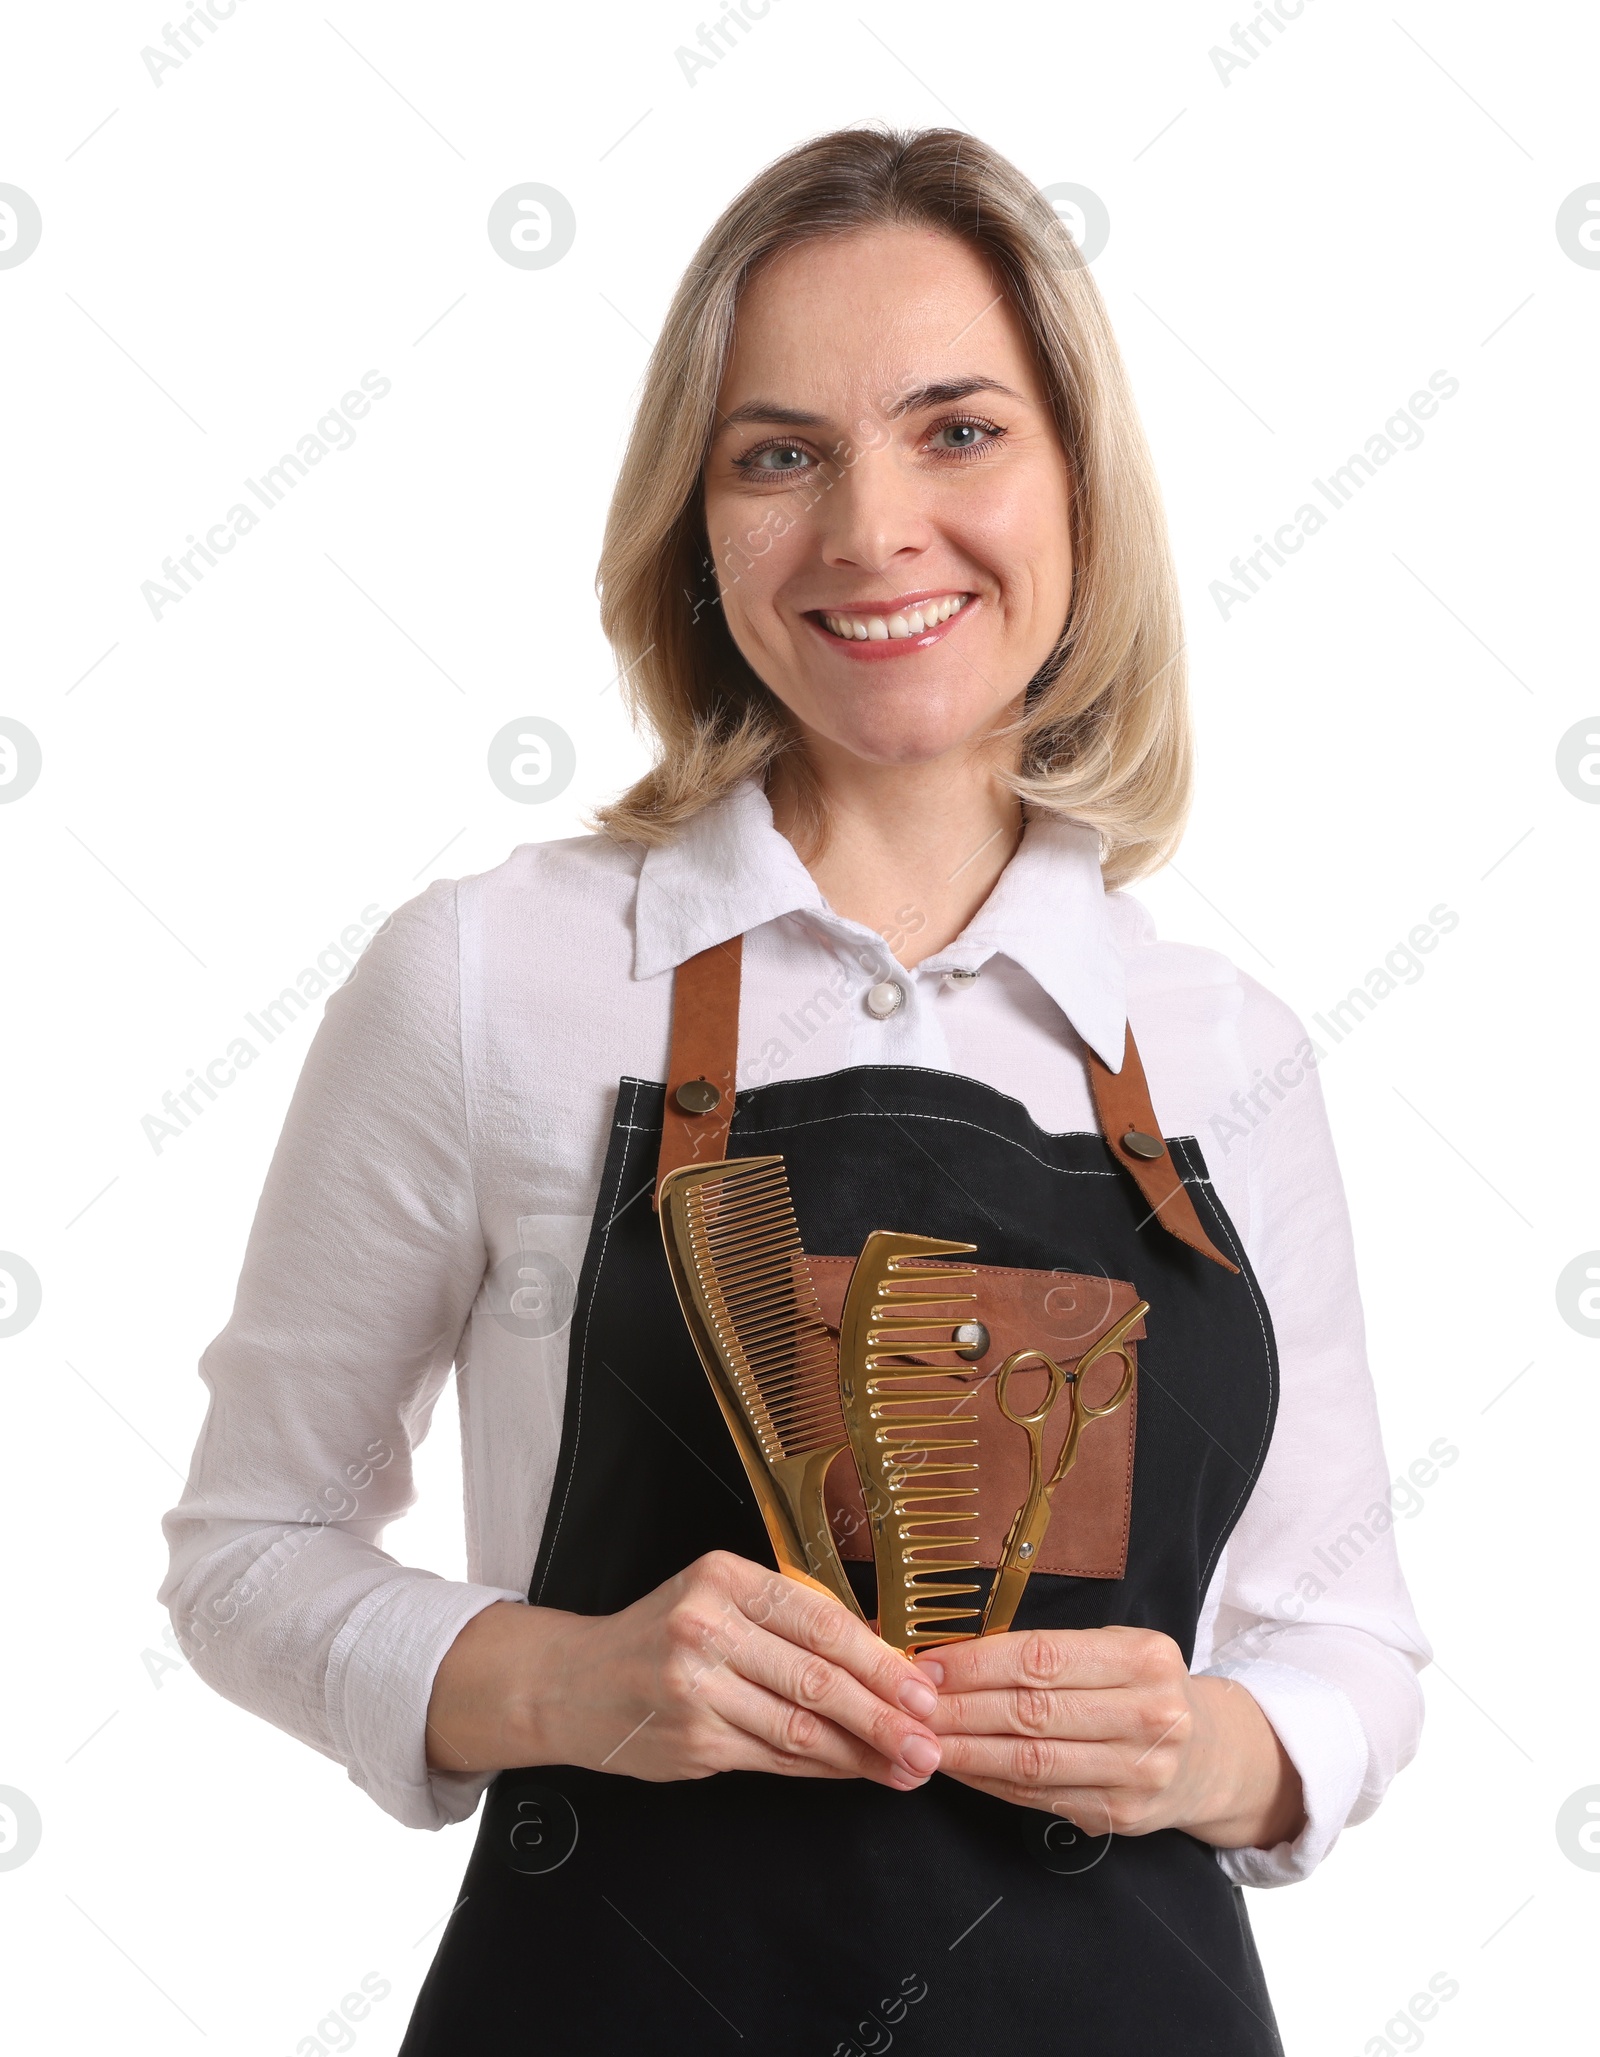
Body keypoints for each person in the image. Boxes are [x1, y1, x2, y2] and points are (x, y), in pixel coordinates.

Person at [160, 125, 1428, 2054]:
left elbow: (1350, 1641)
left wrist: (1205, 1747)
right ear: (696, 518)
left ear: (1081, 484)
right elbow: (247, 1549)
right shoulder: (494, 978)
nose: (871, 531)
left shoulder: (1228, 1053)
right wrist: (572, 1684)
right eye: (781, 453)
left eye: (959, 430)